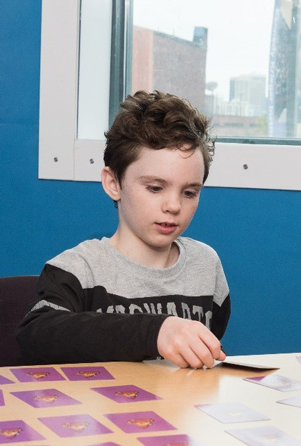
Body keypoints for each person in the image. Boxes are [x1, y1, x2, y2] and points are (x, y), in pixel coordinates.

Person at [17, 90, 230, 369]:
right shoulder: (78, 270)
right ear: (113, 183)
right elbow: (36, 335)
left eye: (189, 192)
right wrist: (156, 331)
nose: (173, 205)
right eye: (155, 188)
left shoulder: (207, 265)